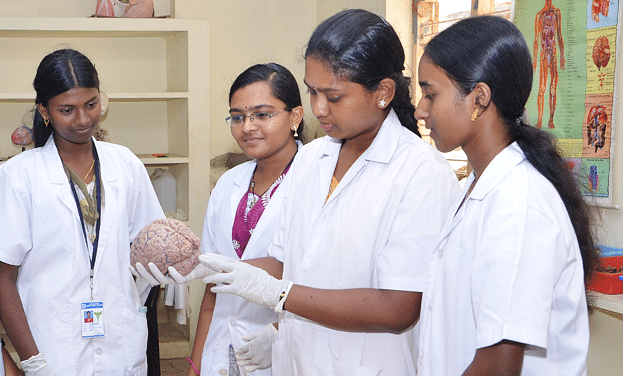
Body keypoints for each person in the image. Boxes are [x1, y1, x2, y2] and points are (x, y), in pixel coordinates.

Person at [198, 9, 460, 375]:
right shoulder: (312, 160)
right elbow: (284, 261)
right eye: (312, 91)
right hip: (299, 359)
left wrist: (280, 295)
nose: (318, 109)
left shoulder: (420, 173)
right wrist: (210, 269)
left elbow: (398, 308)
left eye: (333, 96)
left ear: (383, 92)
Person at [414, 15, 598, 375]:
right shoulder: (478, 187)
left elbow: (498, 365)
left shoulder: (518, 203)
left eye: (430, 94)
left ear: (478, 99)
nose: (420, 109)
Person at [0, 49, 165, 376]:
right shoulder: (19, 176)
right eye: (67, 110)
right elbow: (3, 277)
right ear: (44, 110)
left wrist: (175, 259)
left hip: (121, 341)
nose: (82, 119)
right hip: (54, 350)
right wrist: (33, 362)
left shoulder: (125, 164)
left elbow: (150, 246)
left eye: (91, 104)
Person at [184, 63, 304, 376]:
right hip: (220, 353)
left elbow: (323, 281)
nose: (247, 126)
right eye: (237, 117)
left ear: (295, 117)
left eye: (262, 114)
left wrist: (280, 331)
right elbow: (213, 285)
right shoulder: (228, 183)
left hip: (282, 353)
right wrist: (196, 365)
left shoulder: (315, 183)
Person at [533, 0, 565, 129]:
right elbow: (536, 39)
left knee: (553, 88)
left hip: (554, 55)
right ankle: (540, 120)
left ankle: (550, 120)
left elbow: (559, 35)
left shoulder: (556, 13)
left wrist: (562, 55)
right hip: (543, 56)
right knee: (542, 88)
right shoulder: (539, 15)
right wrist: (534, 59)